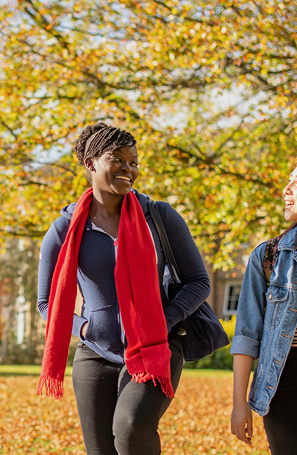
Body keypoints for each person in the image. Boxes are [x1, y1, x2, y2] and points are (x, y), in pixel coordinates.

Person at [37, 122, 211, 455]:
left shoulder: (158, 216)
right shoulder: (64, 229)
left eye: (133, 162)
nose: (129, 169)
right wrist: (85, 327)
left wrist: (164, 319)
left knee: (131, 428)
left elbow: (199, 282)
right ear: (91, 164)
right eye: (118, 159)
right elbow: (46, 303)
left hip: (155, 346)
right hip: (95, 354)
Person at [230, 154, 297, 455]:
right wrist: (239, 405)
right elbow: (246, 336)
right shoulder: (268, 258)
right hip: (281, 382)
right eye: (288, 180)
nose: (287, 189)